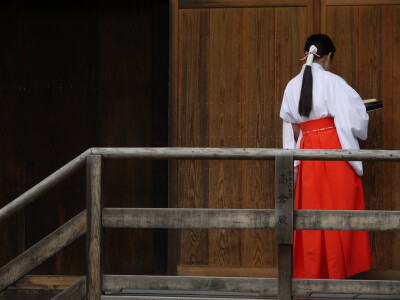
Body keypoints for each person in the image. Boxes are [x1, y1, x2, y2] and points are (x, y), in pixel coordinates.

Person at [279, 34, 372, 279]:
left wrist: (296, 157)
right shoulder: (334, 82)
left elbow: (293, 128)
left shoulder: (291, 85)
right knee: (340, 208)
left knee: (311, 210)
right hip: (334, 148)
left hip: (307, 149)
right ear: (328, 57)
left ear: (306, 54)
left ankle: (313, 272)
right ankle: (340, 273)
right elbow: (354, 120)